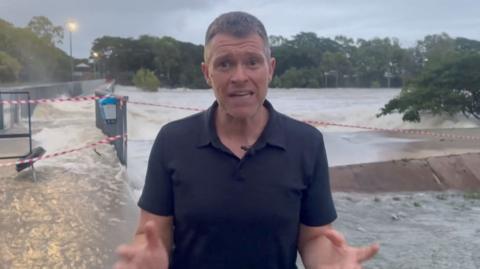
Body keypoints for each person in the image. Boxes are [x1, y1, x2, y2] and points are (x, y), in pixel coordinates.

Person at [114, 11, 379, 269]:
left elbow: (314, 237)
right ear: (207, 73)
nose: (239, 77)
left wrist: (330, 262)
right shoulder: (173, 140)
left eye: (252, 62)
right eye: (225, 63)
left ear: (270, 68)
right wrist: (145, 257)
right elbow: (151, 233)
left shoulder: (306, 143)